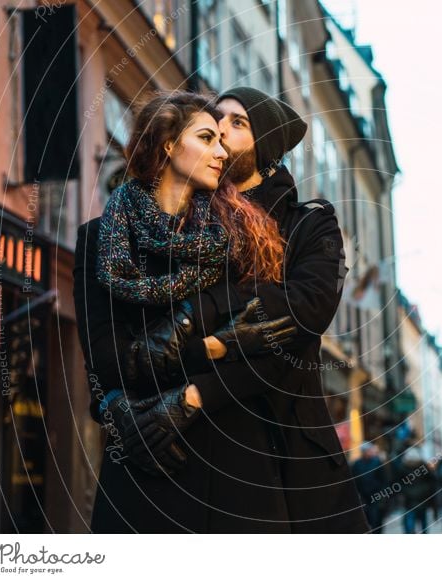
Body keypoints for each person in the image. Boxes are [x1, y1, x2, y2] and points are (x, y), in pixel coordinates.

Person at [74, 90, 368, 533]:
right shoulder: (121, 234)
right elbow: (99, 354)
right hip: (147, 459)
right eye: (211, 129)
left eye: (236, 124)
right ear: (171, 144)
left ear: (264, 145)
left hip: (257, 454)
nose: (222, 140)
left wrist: (192, 359)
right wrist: (114, 405)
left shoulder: (246, 234)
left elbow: (292, 325)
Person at [350, 442, 389, 533]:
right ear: (363, 452)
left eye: (371, 450)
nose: (371, 452)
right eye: (369, 450)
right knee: (365, 522)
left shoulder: (377, 462)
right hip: (363, 498)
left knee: (377, 521)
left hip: (377, 496)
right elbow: (354, 481)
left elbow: (384, 480)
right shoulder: (357, 464)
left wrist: (383, 495)